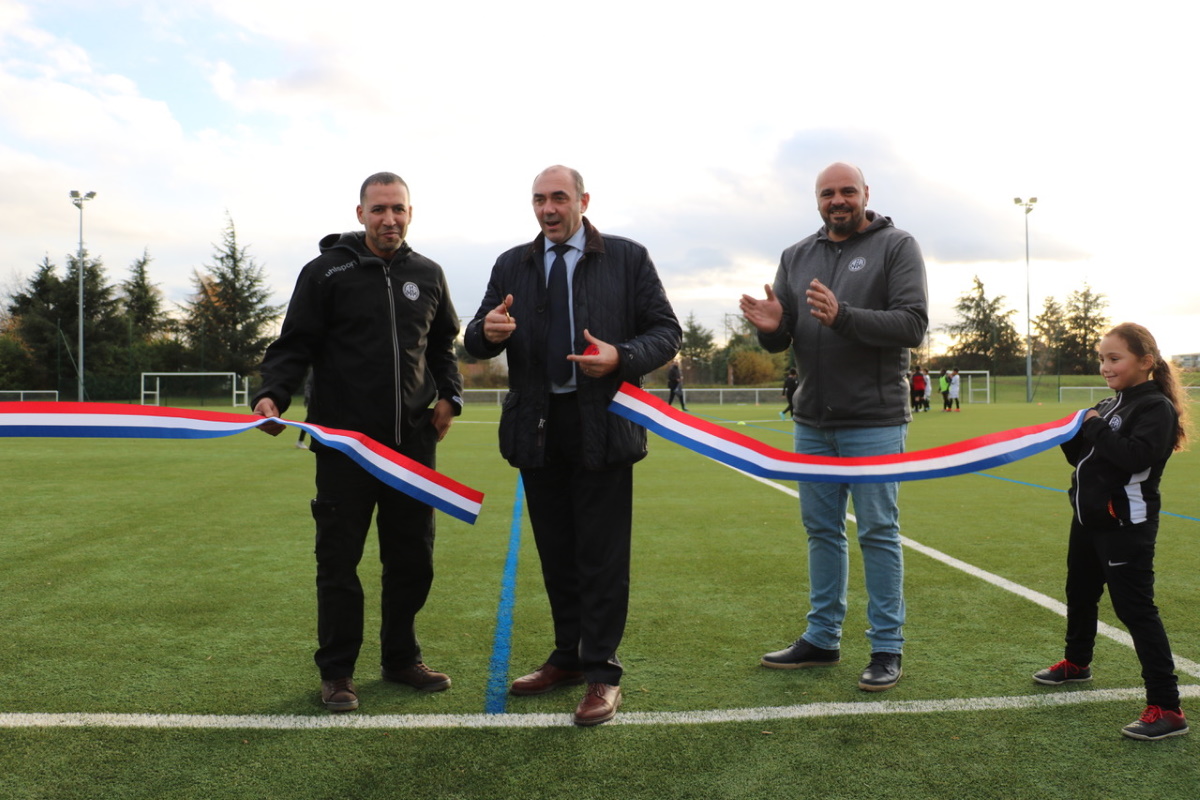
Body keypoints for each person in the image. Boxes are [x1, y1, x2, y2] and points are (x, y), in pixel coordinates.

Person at [464, 165, 681, 726]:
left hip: (602, 423)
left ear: (584, 200)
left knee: (601, 556)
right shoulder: (512, 263)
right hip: (537, 427)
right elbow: (475, 337)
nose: (548, 209)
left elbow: (667, 332)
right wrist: (485, 332)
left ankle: (602, 672)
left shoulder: (627, 258)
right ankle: (566, 657)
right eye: (539, 199)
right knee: (557, 553)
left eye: (558, 198)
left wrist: (621, 357)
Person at [252, 172, 464, 713]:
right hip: (344, 446)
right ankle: (337, 672)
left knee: (413, 559)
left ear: (410, 213)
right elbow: (294, 344)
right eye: (379, 209)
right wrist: (272, 394)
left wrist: (451, 395)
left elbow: (443, 345)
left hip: (413, 447)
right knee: (339, 562)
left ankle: (401, 658)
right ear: (360, 213)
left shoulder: (428, 274)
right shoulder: (325, 272)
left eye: (398, 209)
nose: (389, 219)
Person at [739, 162, 927, 692]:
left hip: (874, 420)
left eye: (847, 191)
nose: (837, 200)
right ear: (817, 199)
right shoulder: (795, 256)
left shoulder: (897, 246)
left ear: (866, 193)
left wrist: (843, 316)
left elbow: (912, 324)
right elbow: (784, 335)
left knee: (877, 532)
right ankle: (822, 639)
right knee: (821, 531)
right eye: (827, 193)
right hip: (812, 422)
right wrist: (771, 330)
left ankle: (886, 647)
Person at [1033, 323, 1190, 740]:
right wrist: (1070, 434)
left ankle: (1168, 707)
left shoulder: (1155, 408)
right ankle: (1077, 663)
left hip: (1125, 525)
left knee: (1135, 609)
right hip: (1088, 520)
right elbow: (1085, 458)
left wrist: (1095, 427)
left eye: (1114, 358)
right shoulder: (1109, 404)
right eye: (1102, 358)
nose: (1105, 366)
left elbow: (1134, 457)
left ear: (1146, 362)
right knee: (1080, 593)